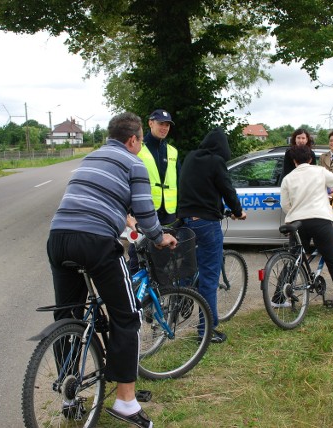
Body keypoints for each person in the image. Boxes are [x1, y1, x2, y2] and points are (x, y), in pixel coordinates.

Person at [47, 112, 177, 428]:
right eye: (140, 141)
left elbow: (96, 199)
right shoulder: (134, 164)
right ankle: (126, 403)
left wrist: (124, 217)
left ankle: (69, 394)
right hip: (94, 241)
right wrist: (160, 237)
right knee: (127, 316)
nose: (140, 146)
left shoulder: (91, 158)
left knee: (68, 314)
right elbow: (146, 213)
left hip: (58, 238)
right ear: (132, 139)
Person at [177, 127, 247, 343]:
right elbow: (227, 189)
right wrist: (237, 211)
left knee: (189, 267)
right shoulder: (216, 161)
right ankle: (206, 330)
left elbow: (199, 188)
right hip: (206, 224)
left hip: (184, 222)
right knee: (209, 277)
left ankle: (184, 297)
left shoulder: (190, 157)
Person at [280, 144, 333, 311]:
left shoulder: (288, 178)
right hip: (321, 220)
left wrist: (296, 212)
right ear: (310, 158)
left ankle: (278, 298)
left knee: (294, 259)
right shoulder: (319, 171)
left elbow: (285, 205)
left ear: (294, 161)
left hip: (297, 222)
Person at [127, 109, 180, 274]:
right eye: (160, 124)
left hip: (169, 214)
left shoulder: (172, 151)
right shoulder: (138, 149)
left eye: (167, 125)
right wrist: (129, 213)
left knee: (164, 260)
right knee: (138, 257)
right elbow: (127, 181)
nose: (164, 128)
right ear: (150, 123)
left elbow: (179, 181)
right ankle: (131, 296)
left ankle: (159, 296)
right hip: (143, 213)